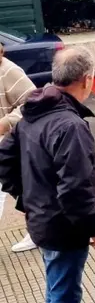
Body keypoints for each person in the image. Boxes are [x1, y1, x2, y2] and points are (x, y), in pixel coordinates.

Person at [0, 46, 95, 303]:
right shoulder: (71, 126)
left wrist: (27, 198)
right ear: (87, 79)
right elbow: (76, 189)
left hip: (42, 221)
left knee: (56, 288)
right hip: (65, 229)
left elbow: (4, 159)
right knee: (64, 298)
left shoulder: (34, 113)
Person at [0, 43, 37, 253]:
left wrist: (5, 122)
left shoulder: (8, 70)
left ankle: (37, 230)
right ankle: (36, 230)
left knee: (24, 190)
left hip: (8, 144)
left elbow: (30, 101)